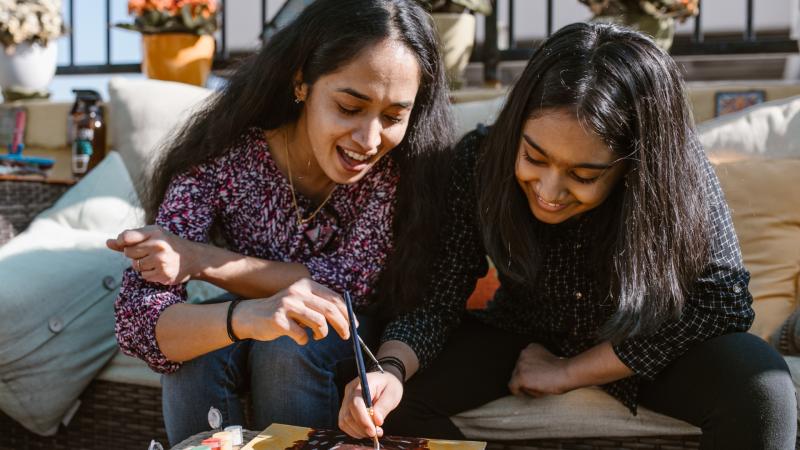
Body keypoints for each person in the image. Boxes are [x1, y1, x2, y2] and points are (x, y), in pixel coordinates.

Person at [338, 22, 797, 449]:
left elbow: (721, 302)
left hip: (646, 341)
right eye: (534, 158)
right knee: (385, 404)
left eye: (583, 174)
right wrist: (391, 371)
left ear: (632, 167)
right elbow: (437, 296)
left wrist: (569, 372)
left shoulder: (675, 169)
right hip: (521, 334)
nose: (549, 191)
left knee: (762, 388)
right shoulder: (478, 161)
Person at [108, 0, 453, 445]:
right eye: (349, 107)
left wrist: (200, 259)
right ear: (302, 83)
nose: (370, 140)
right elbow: (139, 323)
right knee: (199, 350)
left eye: (392, 117)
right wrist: (250, 316)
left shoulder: (400, 170)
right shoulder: (221, 156)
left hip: (355, 342)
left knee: (291, 341)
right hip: (253, 321)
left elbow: (350, 287)